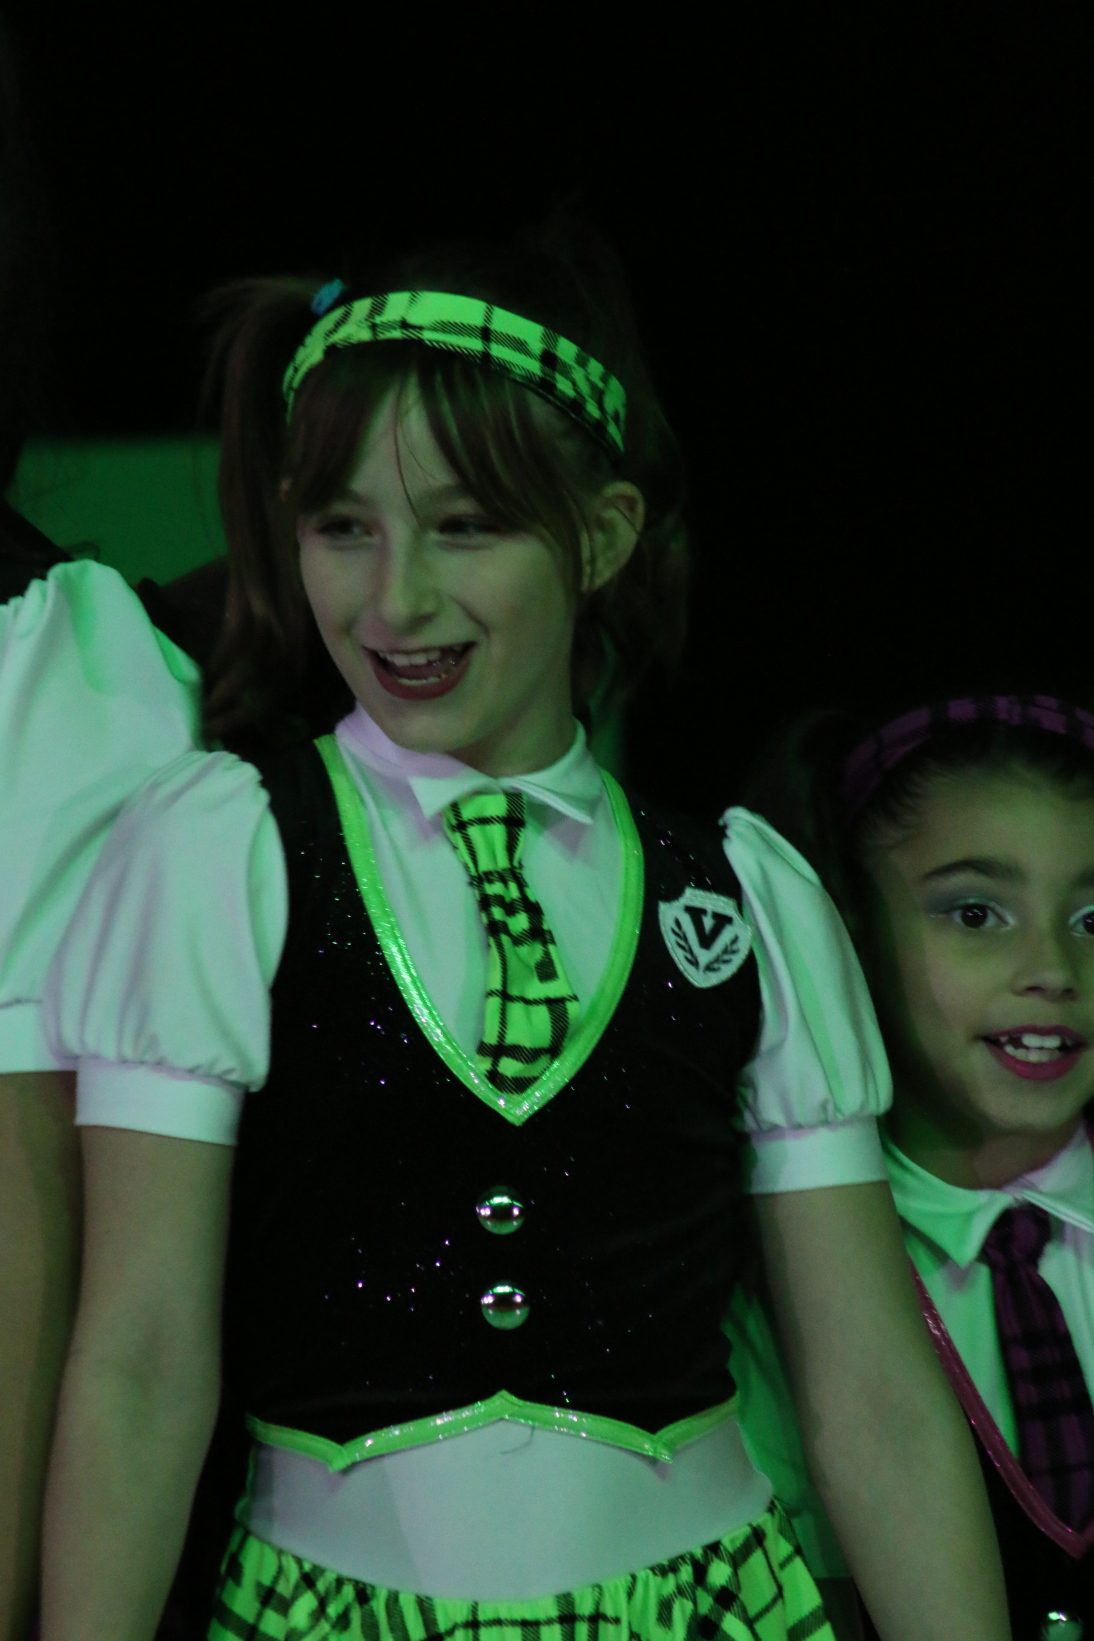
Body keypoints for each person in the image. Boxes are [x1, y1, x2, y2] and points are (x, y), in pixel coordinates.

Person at [37, 213, 1010, 1641]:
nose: (396, 598)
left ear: (601, 534)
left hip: (713, 1606)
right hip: (326, 1610)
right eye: (343, 527)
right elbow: (137, 1362)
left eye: (466, 526)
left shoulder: (737, 893)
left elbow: (871, 1395)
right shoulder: (221, 851)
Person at [739, 691, 1094, 1640]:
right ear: (849, 930)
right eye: (977, 912)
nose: (1054, 968)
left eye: (1093, 917)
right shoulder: (785, 1283)